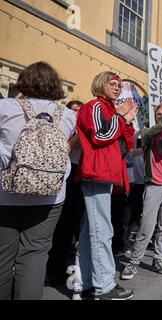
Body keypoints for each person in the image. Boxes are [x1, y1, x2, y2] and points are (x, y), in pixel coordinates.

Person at [0, 62, 76, 300]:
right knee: (35, 254)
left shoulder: (5, 106)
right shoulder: (68, 115)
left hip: (6, 192)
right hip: (50, 194)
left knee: (3, 256)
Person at [73, 71, 136, 300]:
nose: (117, 87)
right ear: (101, 84)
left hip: (106, 174)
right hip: (97, 173)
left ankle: (85, 283)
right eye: (113, 83)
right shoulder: (95, 106)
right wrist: (120, 118)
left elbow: (124, 146)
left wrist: (125, 120)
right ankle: (104, 286)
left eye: (119, 85)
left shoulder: (109, 109)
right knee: (101, 230)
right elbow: (100, 136)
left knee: (92, 230)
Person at [120, 103, 162, 281]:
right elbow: (148, 135)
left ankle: (158, 259)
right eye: (160, 114)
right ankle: (133, 263)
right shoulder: (147, 133)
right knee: (146, 227)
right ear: (155, 116)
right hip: (154, 186)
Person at [46, 100, 85, 286]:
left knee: (72, 222)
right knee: (62, 223)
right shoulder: (63, 126)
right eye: (74, 110)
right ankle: (53, 268)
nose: (77, 113)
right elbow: (65, 149)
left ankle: (63, 260)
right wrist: (78, 133)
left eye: (80, 110)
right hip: (65, 173)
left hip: (80, 174)